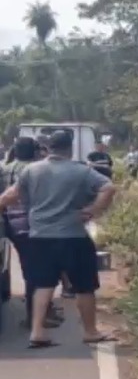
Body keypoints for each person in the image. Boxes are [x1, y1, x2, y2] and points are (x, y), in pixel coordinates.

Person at [0, 130, 117, 348]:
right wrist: (93, 209)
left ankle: (37, 332)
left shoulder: (31, 171)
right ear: (69, 148)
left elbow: (9, 196)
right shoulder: (81, 171)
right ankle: (90, 332)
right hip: (73, 236)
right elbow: (108, 187)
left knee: (43, 285)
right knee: (84, 286)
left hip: (40, 237)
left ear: (49, 148)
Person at [0, 137, 64, 329]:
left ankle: (38, 314)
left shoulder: (5, 169)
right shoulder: (38, 170)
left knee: (30, 269)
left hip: (9, 222)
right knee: (36, 272)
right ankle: (34, 318)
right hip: (32, 224)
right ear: (35, 151)